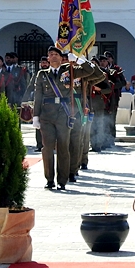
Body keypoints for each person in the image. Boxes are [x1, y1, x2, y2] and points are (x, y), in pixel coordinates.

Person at [32, 46, 105, 190]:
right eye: (50, 54)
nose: (53, 56)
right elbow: (38, 95)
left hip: (64, 114)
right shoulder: (42, 74)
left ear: (61, 58)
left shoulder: (70, 70)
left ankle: (62, 179)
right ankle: (49, 179)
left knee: (63, 147)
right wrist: (35, 115)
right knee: (47, 148)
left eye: (56, 54)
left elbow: (91, 71)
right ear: (47, 58)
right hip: (46, 115)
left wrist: (78, 59)